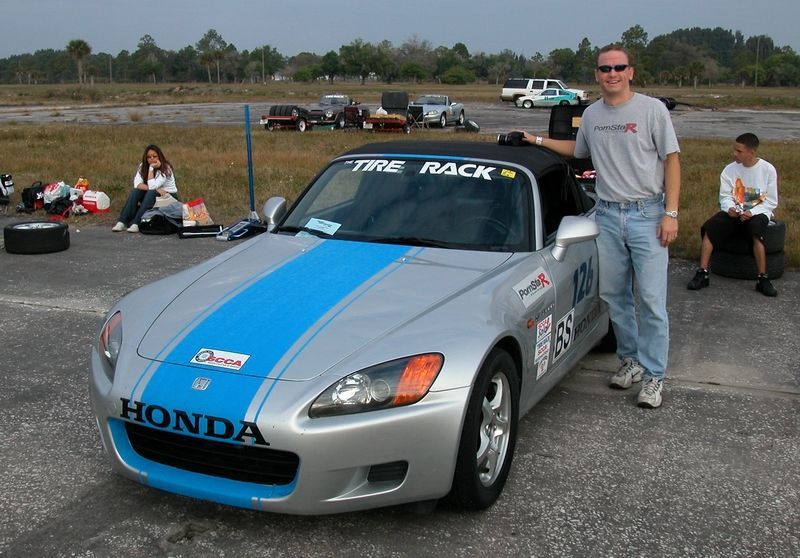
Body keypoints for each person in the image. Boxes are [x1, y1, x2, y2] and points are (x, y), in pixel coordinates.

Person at [512, 44, 681, 409]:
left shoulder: (652, 110)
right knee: (614, 296)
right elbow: (578, 151)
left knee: (652, 301)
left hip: (648, 215)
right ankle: (631, 361)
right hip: (607, 216)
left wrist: (671, 213)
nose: (612, 74)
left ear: (631, 72)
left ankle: (654, 377)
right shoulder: (591, 114)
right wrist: (534, 139)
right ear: (597, 75)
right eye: (605, 69)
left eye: (619, 67)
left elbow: (672, 161)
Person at [686, 133, 779, 296]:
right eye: (734, 150)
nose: (734, 154)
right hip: (735, 212)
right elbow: (725, 196)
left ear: (751, 152)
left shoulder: (767, 170)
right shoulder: (729, 170)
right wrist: (730, 208)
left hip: (758, 212)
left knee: (755, 232)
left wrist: (751, 212)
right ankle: (703, 273)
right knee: (710, 227)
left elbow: (771, 200)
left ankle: (762, 278)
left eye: (739, 151)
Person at [112, 144, 178, 233]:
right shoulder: (142, 166)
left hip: (168, 197)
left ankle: (136, 223)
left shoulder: (165, 168)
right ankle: (122, 222)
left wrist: (151, 169)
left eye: (155, 156)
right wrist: (156, 189)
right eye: (149, 157)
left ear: (159, 157)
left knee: (151, 192)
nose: (152, 159)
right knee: (136, 191)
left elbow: (152, 187)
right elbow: (137, 184)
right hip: (154, 195)